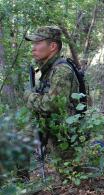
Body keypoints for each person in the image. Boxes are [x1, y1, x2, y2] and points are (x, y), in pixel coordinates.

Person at [24, 26, 84, 159]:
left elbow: (53, 104)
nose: (33, 48)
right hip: (49, 124)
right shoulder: (48, 68)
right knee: (19, 146)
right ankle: (21, 178)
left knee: (69, 174)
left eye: (38, 43)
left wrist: (29, 97)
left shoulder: (61, 70)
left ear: (52, 46)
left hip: (63, 131)